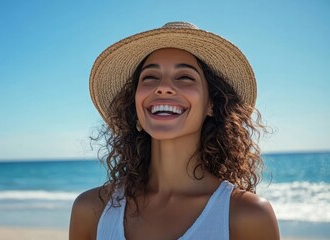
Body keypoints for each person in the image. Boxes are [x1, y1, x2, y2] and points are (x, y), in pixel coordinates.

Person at [69, 22, 280, 240]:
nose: (163, 87)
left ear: (212, 105)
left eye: (185, 77)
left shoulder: (247, 216)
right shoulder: (92, 210)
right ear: (134, 104)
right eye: (150, 77)